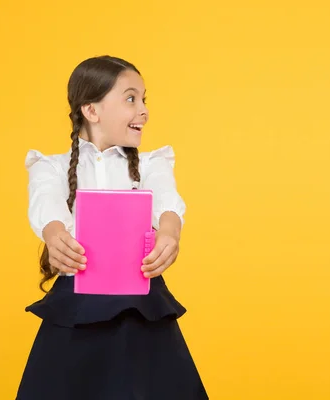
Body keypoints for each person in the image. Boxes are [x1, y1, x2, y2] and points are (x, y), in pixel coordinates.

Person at [16, 55, 209, 400]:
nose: (144, 110)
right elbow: (45, 203)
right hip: (76, 311)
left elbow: (168, 202)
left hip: (142, 312)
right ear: (92, 110)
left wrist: (170, 232)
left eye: (144, 99)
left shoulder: (153, 163)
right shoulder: (51, 167)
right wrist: (54, 234)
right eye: (131, 98)